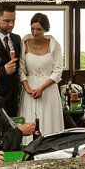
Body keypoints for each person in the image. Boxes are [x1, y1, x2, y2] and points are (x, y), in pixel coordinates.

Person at [18, 13, 65, 144]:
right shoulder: (25, 43)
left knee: (48, 122)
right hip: (29, 88)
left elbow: (57, 71)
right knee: (30, 120)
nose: (35, 32)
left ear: (45, 29)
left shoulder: (54, 44)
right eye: (32, 28)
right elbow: (21, 69)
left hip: (48, 89)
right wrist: (28, 89)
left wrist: (42, 88)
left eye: (38, 29)